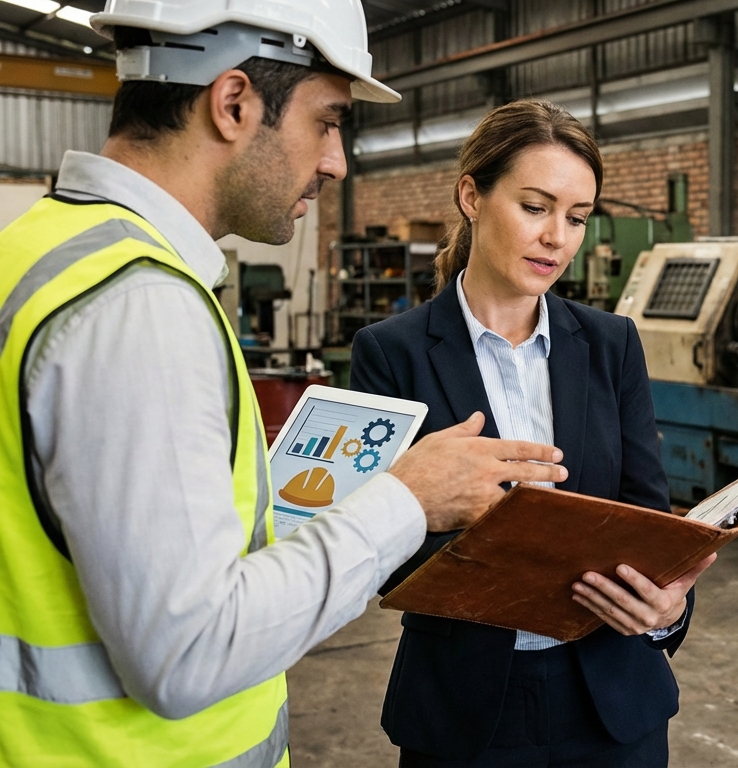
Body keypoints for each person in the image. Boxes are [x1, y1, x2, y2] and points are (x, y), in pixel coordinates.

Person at [0, 3, 568, 766]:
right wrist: (407, 499)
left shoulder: (41, 252)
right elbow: (188, 652)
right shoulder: (139, 305)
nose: (336, 162)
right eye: (326, 122)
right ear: (234, 103)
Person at [350, 99, 715, 768]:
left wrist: (667, 606)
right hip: (465, 707)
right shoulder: (392, 353)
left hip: (613, 701)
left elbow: (645, 514)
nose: (557, 238)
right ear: (472, 197)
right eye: (535, 207)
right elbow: (381, 541)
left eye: (576, 218)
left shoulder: (611, 344)